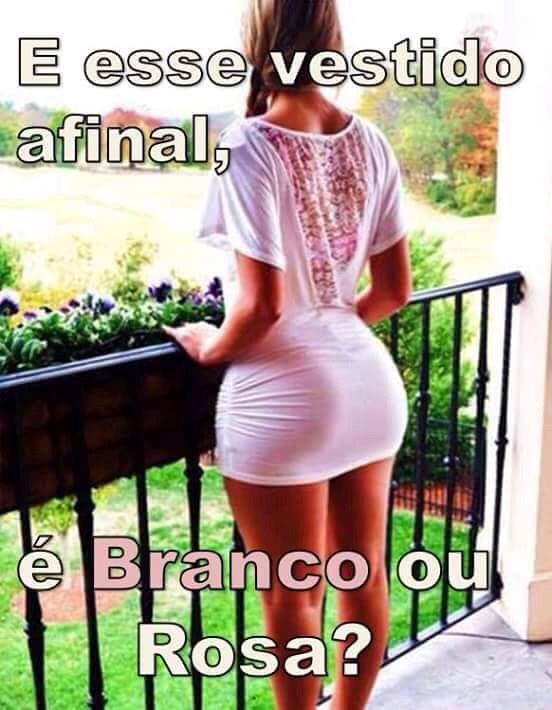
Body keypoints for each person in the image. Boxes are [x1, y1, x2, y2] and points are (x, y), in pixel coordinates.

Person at [164, 1, 412, 707]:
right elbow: (394, 290)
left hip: (285, 401)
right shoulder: (371, 142)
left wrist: (208, 346)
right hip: (369, 386)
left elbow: (263, 305)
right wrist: (332, 331)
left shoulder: (245, 142)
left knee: (290, 594)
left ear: (260, 40)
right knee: (363, 570)